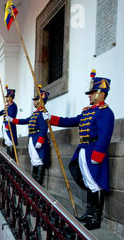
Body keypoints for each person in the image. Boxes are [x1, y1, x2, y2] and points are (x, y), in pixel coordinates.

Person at [44, 70, 115, 230]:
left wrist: (98, 154)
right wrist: (51, 118)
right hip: (84, 149)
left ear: (101, 93)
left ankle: (95, 218)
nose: (89, 96)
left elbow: (105, 135)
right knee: (90, 183)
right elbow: (71, 121)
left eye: (92, 93)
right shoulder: (87, 111)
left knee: (96, 184)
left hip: (94, 151)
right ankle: (89, 213)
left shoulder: (106, 112)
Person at [8, 85, 50, 186]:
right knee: (34, 161)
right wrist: (13, 120)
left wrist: (40, 140)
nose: (34, 101)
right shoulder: (35, 113)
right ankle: (34, 185)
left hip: (38, 139)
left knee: (38, 161)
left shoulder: (43, 112)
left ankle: (38, 186)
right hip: (32, 138)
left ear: (40, 101)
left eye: (36, 100)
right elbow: (26, 120)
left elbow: (44, 127)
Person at [2, 86, 18, 159]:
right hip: (5, 125)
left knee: (10, 143)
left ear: (11, 97)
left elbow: (11, 118)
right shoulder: (7, 106)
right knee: (7, 143)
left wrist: (7, 126)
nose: (6, 98)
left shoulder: (13, 106)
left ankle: (12, 160)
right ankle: (8, 160)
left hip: (9, 127)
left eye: (7, 97)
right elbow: (0, 113)